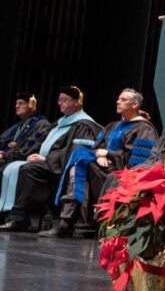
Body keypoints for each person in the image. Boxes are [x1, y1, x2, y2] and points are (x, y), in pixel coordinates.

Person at [48, 88, 159, 237]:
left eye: (123, 100)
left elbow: (140, 162)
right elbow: (97, 147)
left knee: (82, 160)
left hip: (121, 174)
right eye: (118, 99)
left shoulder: (144, 128)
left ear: (135, 104)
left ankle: (71, 221)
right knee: (80, 156)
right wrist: (97, 154)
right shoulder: (112, 126)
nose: (118, 101)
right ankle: (73, 220)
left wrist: (109, 154)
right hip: (101, 168)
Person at [0, 86, 101, 232]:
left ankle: (20, 217)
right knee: (13, 166)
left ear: (76, 102)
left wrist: (46, 159)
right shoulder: (59, 123)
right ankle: (10, 214)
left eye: (65, 100)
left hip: (61, 165)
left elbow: (74, 151)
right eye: (59, 100)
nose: (60, 103)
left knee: (28, 169)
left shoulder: (84, 124)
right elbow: (40, 142)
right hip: (45, 161)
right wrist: (29, 154)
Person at [0, 92, 50, 166]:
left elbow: (28, 150)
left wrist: (4, 155)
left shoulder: (42, 124)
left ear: (32, 105)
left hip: (20, 161)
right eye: (16, 104)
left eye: (21, 103)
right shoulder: (19, 125)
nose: (17, 106)